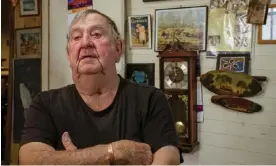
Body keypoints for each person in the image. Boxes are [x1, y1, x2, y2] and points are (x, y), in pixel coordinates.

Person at [19, 9, 183, 165]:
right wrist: (115, 152)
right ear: (69, 55)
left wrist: (73, 160)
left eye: (96, 34)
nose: (85, 43)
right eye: (76, 37)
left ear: (118, 48)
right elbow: (30, 161)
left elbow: (168, 158)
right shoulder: (45, 104)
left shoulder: (150, 99)